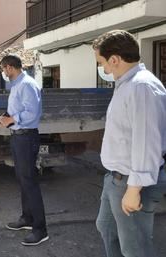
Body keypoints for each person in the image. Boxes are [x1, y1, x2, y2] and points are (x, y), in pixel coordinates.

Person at [93, 30, 166, 257]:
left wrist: (134, 189)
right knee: (106, 227)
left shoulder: (140, 87)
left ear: (114, 59)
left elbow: (147, 142)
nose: (103, 69)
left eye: (102, 63)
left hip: (132, 182)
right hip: (116, 178)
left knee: (135, 248)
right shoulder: (127, 84)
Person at [0, 54, 48, 246]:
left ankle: (40, 229)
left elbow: (32, 112)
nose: (3, 73)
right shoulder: (18, 84)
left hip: (27, 137)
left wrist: (12, 119)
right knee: (23, 179)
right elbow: (18, 110)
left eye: (3, 69)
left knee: (30, 182)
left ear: (10, 67)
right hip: (18, 137)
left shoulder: (27, 84)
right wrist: (6, 117)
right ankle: (27, 218)